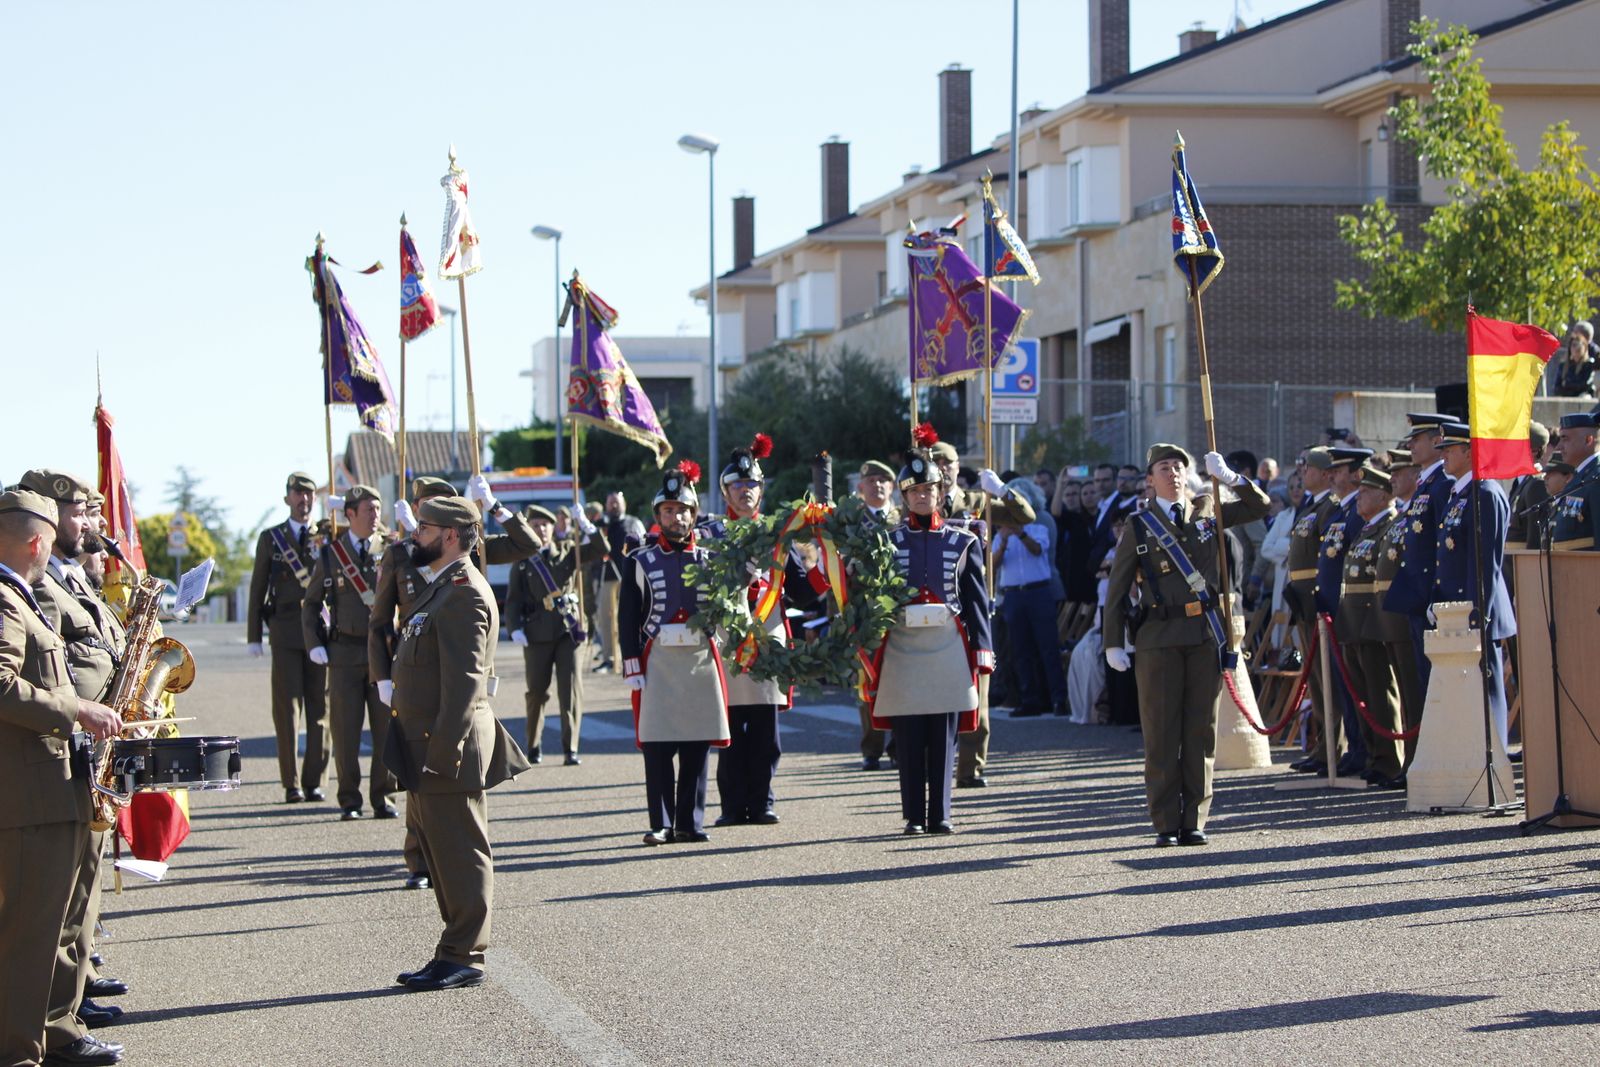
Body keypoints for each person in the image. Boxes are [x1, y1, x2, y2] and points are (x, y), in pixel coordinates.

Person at [0, 489, 124, 1067]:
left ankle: (52, 1035)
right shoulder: (5, 599)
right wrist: (76, 709)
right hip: (28, 796)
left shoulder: (18, 595)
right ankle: (18, 1054)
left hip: (49, 787)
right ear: (36, 542)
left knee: (51, 928)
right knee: (30, 937)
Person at [389, 495, 531, 993]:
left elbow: (465, 686)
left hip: (445, 746)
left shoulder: (465, 593)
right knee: (441, 854)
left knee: (462, 853)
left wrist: (443, 753)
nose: (415, 535)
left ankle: (465, 954)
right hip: (424, 743)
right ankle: (452, 950)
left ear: (450, 535)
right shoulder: (443, 587)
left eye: (424, 528)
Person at [369, 474, 538, 891]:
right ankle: (419, 862)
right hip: (415, 679)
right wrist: (383, 676)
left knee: (451, 812)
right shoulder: (402, 553)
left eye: (432, 516)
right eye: (422, 511)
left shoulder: (470, 554)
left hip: (458, 683)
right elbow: (380, 621)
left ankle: (449, 891)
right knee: (422, 800)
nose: (420, 525)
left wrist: (495, 507)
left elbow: (528, 544)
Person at [1103, 447, 1270, 846]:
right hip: (1158, 637)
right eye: (1164, 468)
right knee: (1162, 733)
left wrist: (1231, 479)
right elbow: (1117, 588)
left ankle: (1194, 818)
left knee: (1200, 730)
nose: (1174, 473)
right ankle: (1165, 822)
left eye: (1179, 467)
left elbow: (1259, 507)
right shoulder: (1139, 525)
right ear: (1150, 480)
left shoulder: (1207, 510)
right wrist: (1113, 642)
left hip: (1203, 635)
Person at [865, 445, 993, 834]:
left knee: (943, 733)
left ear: (940, 493)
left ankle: (940, 814)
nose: (922, 497)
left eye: (929, 490)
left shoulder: (963, 540)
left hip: (947, 644)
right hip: (903, 644)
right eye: (915, 491)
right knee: (908, 734)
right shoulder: (886, 541)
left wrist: (982, 649)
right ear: (905, 497)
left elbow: (975, 600)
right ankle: (913, 816)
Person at [706, 436, 824, 826]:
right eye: (738, 485)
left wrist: (830, 567)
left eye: (752, 484)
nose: (745, 491)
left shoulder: (778, 536)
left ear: (761, 490)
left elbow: (804, 592)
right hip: (727, 641)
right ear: (726, 491)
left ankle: (762, 801)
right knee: (728, 729)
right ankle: (731, 805)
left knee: (765, 730)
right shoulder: (712, 535)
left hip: (768, 639)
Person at [619, 462, 730, 845]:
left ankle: (690, 823)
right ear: (658, 515)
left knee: (697, 744)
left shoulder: (713, 559)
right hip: (658, 659)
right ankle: (661, 823)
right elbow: (627, 617)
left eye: (683, 510)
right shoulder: (638, 560)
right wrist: (632, 664)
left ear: (693, 515)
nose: (676, 517)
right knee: (658, 745)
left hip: (700, 658)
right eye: (668, 510)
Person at [301, 485, 395, 822]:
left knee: (386, 729)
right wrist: (314, 643)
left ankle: (383, 797)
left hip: (383, 654)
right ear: (350, 514)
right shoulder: (331, 554)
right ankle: (349, 799)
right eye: (368, 510)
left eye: (378, 509)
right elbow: (311, 604)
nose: (375, 516)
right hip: (344, 653)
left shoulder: (392, 549)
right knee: (345, 732)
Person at [1432, 422, 1516, 750]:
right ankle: (1471, 757)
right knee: (1464, 695)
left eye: (1449, 449)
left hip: (1478, 613)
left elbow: (1485, 564)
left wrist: (1476, 614)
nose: (1443, 456)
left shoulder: (1485, 494)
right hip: (1456, 613)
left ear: (1469, 452)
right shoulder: (1460, 494)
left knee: (1487, 691)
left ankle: (1493, 760)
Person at [247, 472, 329, 804]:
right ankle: (291, 782)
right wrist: (254, 635)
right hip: (284, 631)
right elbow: (257, 588)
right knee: (287, 710)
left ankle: (314, 781)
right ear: (287, 499)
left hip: (320, 633)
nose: (303, 499)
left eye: (309, 494)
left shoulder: (328, 533)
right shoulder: (271, 539)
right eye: (298, 493)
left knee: (320, 709)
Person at [1334, 466, 1406, 788]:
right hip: (1354, 620)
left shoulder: (1389, 526)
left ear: (1383, 495)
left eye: (1365, 492)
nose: (1359, 497)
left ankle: (1389, 759)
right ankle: (1374, 755)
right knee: (1362, 692)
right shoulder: (1367, 529)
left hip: (1373, 619)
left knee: (1380, 692)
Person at [506, 505, 590, 766]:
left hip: (567, 630)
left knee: (570, 691)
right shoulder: (523, 561)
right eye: (536, 525)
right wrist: (515, 627)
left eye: (545, 524)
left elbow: (601, 549)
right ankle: (533, 745)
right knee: (536, 692)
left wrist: (586, 525)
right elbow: (513, 599)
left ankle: (570, 748)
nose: (541, 529)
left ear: (554, 528)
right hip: (536, 634)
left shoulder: (568, 552)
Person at [1382, 412, 1454, 713]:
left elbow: (1443, 543)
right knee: (1423, 681)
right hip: (1416, 593)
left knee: (1436, 683)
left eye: (1417, 439)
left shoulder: (1442, 484)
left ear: (1437, 441)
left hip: (1430, 594)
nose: (1410, 445)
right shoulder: (1427, 484)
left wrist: (1436, 594)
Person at [993, 488, 1067, 718]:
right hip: (1014, 595)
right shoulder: (1000, 534)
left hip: (1038, 592)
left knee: (1048, 647)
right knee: (1020, 650)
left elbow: (1037, 550)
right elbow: (993, 564)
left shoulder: (1039, 529)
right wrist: (1004, 541)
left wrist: (1021, 533)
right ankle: (1029, 699)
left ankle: (1058, 699)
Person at [1374, 451, 1426, 771]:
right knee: (1407, 693)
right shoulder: (1402, 515)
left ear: (1415, 475)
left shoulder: (1414, 512)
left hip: (1409, 610)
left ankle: (1416, 761)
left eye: (1399, 472)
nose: (1392, 478)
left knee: (1414, 691)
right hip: (1393, 613)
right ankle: (1409, 761)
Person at [852, 460, 901, 770]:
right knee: (868, 681)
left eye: (884, 480)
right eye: (872, 481)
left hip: (898, 611)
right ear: (861, 487)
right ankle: (871, 748)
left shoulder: (903, 518)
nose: (878, 485)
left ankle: (899, 745)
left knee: (899, 679)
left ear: (893, 487)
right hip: (865, 613)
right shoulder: (852, 521)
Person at [595, 492, 646, 673]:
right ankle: (609, 658)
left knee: (630, 617)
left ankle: (631, 656)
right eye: (611, 503)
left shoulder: (633, 523)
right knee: (606, 619)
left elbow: (644, 547)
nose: (614, 506)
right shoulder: (601, 525)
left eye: (616, 502)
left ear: (624, 504)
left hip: (629, 578)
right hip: (607, 578)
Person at [1550, 412, 1599, 550]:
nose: (1558, 447)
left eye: (1565, 439)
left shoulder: (1596, 477)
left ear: (1588, 440)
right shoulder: (1581, 476)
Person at [1506, 421, 1551, 549]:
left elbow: (1535, 540)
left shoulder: (1537, 484)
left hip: (1523, 560)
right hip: (1512, 560)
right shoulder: (1521, 482)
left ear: (1534, 451)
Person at [1554, 321, 1598, 398]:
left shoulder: (1592, 359)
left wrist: (1568, 386)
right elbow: (1557, 388)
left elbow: (1586, 385)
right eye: (1573, 345)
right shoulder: (1564, 365)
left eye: (1578, 345)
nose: (1575, 349)